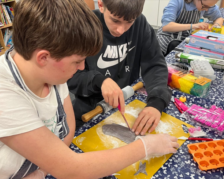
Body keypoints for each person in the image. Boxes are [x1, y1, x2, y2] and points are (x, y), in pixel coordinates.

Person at [0, 0, 180, 178]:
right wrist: (146, 147)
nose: (82, 67)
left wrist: (45, 168)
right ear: (43, 57)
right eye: (78, 61)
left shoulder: (51, 73)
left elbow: (67, 130)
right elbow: (70, 169)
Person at [68, 0, 172, 136]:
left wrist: (156, 102)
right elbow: (70, 76)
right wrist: (99, 81)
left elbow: (154, 64)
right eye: (115, 20)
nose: (121, 30)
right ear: (101, 5)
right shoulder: (83, 27)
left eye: (129, 22)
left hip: (126, 104)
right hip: (89, 109)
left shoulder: (140, 23)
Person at [157, 0, 223, 56]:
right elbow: (166, 26)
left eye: (209, 7)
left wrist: (216, 25)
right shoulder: (177, 2)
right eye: (204, 6)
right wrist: (193, 26)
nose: (206, 9)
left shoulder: (205, 4)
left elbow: (219, 18)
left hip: (185, 37)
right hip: (167, 37)